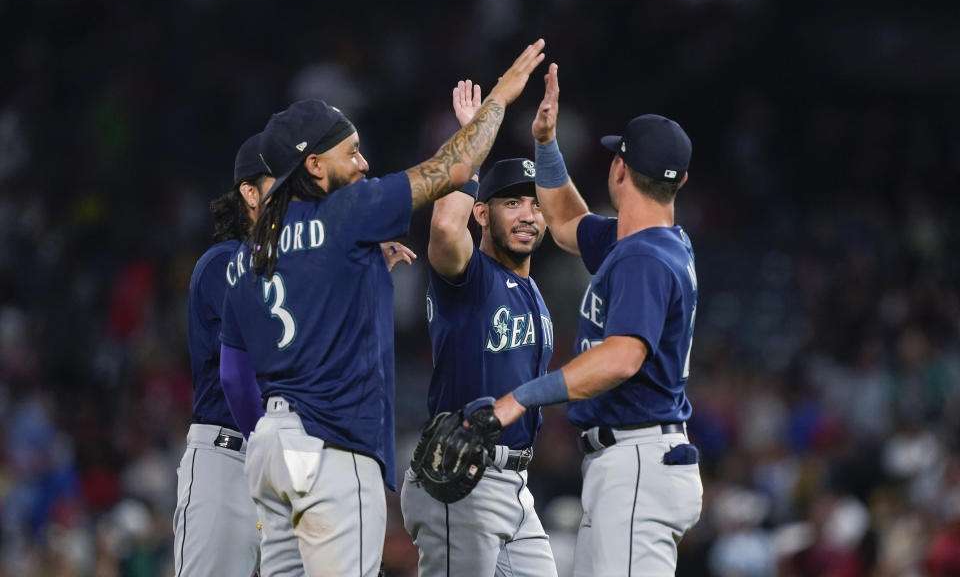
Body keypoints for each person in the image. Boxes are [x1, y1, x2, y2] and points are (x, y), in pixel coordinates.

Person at [218, 39, 546, 576]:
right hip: (333, 446)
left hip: (270, 452)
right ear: (315, 167)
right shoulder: (348, 211)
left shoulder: (250, 252)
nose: (364, 162)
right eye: (351, 153)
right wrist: (501, 100)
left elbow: (235, 375)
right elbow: (453, 168)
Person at [490, 63, 703, 575]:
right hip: (630, 463)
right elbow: (564, 223)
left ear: (620, 170)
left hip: (636, 461)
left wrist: (522, 396)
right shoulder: (648, 243)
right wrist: (546, 145)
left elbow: (623, 356)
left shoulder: (643, 258)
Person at [400, 79, 558, 577]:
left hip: (515, 485)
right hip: (462, 476)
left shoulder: (531, 291)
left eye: (535, 203)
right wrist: (471, 140)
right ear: (482, 213)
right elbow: (446, 229)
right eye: (512, 203)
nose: (529, 214)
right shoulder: (468, 278)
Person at [173, 133, 274, 577]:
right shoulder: (224, 264)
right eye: (282, 183)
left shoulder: (299, 275)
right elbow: (254, 364)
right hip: (228, 460)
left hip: (284, 472)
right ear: (249, 194)